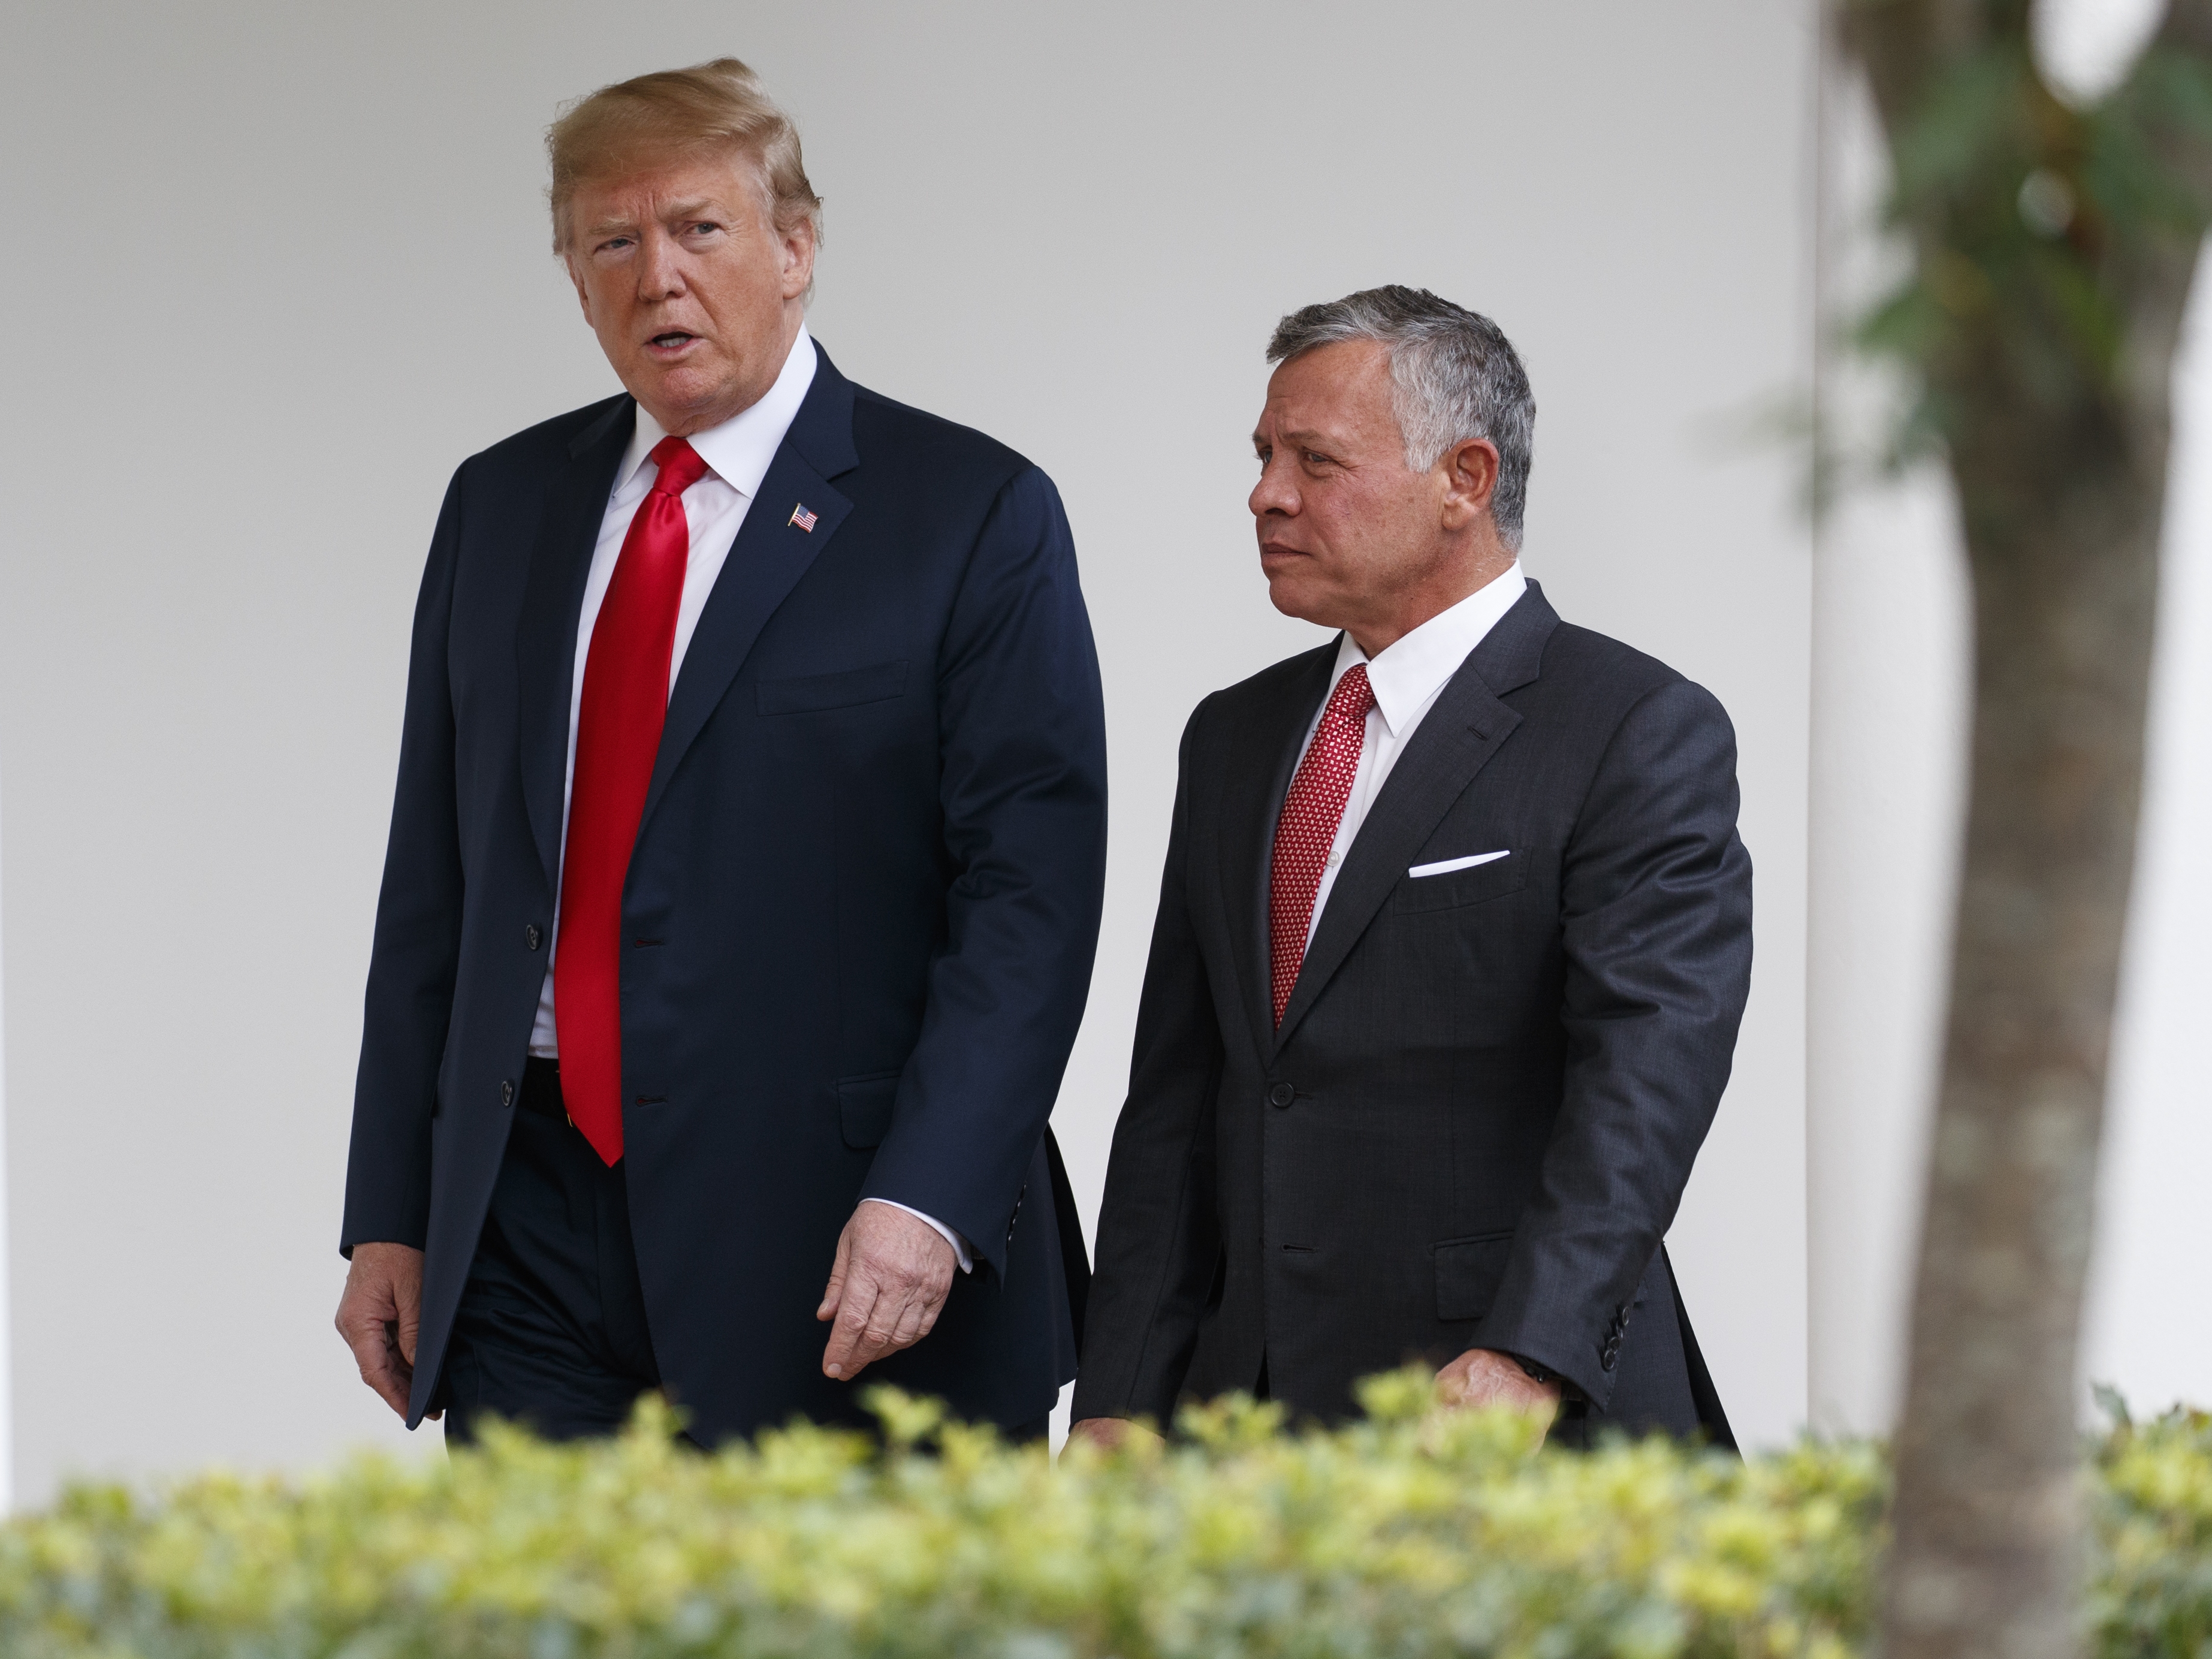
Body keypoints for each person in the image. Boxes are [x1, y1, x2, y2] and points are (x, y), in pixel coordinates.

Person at [333, 58, 1106, 1446]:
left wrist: (929, 1192)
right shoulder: (501, 503)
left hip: (842, 1232)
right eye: (611, 243)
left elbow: (1029, 901)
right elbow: (434, 881)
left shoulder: (969, 511)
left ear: (796, 249)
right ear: (573, 277)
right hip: (527, 1219)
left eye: (699, 229)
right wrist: (394, 1209)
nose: (656, 279)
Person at [1070, 288, 1748, 1449]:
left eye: (1315, 460)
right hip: (1248, 1433)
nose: (1265, 493)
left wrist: (1529, 1350)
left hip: (1509, 1424)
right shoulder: (1231, 740)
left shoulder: (1632, 727)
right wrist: (1121, 1398)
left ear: (1465, 481)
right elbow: (1177, 1110)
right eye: (1263, 455)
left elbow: (1642, 1087)